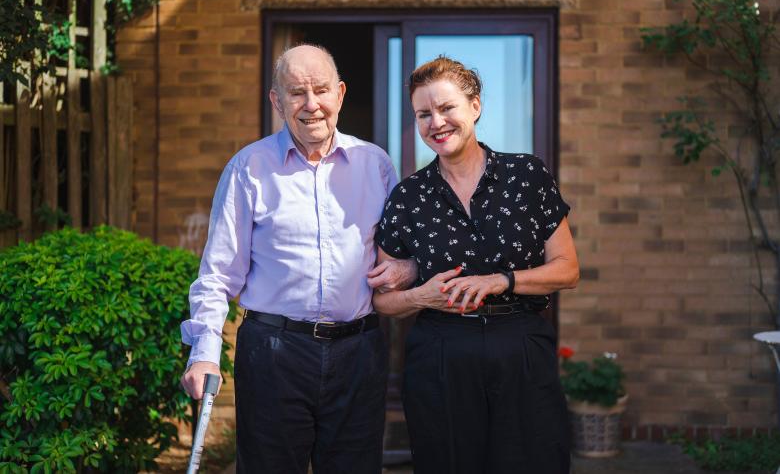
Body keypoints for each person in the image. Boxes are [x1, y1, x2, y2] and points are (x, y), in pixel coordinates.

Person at [179, 44, 415, 474]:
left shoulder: (376, 164)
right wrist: (204, 354)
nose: (311, 105)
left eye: (321, 90)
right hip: (273, 353)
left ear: (340, 94)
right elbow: (217, 276)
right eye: (296, 93)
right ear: (276, 101)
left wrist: (409, 268)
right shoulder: (247, 168)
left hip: (359, 352)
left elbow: (400, 254)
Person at [373, 56, 579, 474]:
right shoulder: (407, 196)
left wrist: (501, 279)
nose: (437, 122)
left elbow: (567, 270)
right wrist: (421, 294)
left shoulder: (527, 175)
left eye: (447, 108)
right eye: (423, 114)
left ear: (475, 107)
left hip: (520, 345)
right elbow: (383, 303)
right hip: (440, 353)